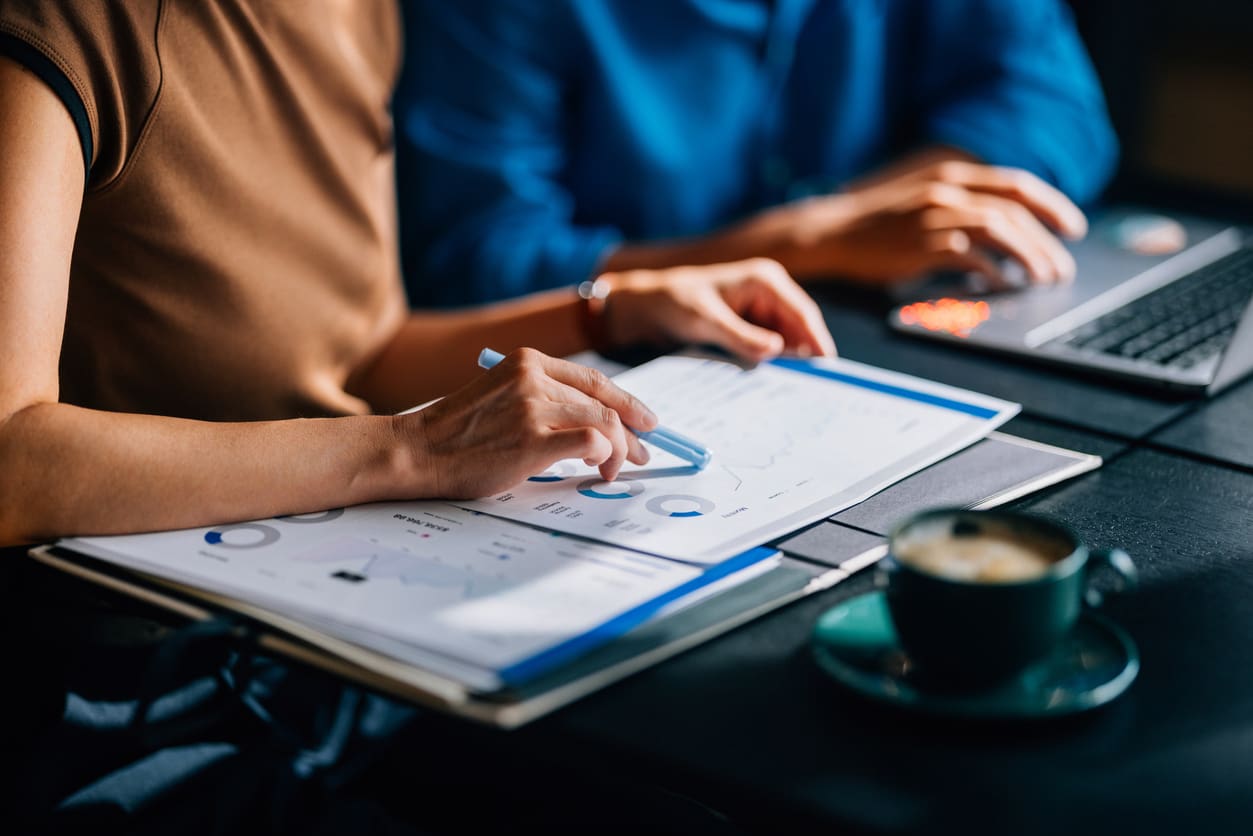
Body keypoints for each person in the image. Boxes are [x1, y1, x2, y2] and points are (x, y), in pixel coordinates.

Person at [0, 2, 832, 832]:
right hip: (129, 700)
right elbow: (12, 460)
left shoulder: (354, 13)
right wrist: (409, 448)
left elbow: (361, 350)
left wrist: (608, 312)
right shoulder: (61, 26)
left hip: (324, 659)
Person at [394, 0, 1120, 307]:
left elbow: (1054, 111)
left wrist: (848, 221)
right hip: (629, 368)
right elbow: (476, 262)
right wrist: (806, 242)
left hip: (885, 316)